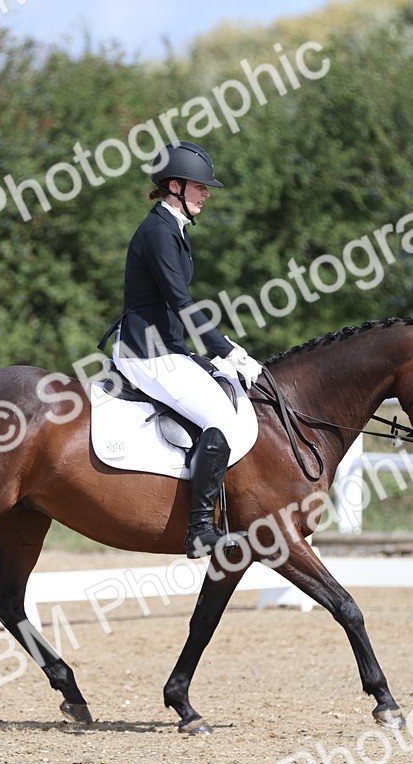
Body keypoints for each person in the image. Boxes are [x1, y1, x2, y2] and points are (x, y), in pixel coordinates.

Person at [102, 141, 263, 558]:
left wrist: (218, 351)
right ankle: (199, 529)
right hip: (146, 351)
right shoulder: (158, 232)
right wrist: (223, 349)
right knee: (220, 420)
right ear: (174, 186)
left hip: (165, 345)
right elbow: (180, 300)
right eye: (200, 187)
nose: (207, 193)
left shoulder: (172, 227)